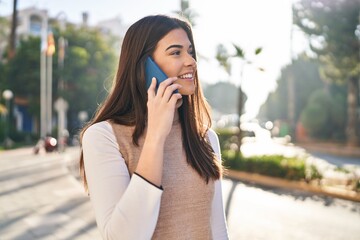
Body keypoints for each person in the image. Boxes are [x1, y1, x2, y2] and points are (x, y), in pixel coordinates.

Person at [80, 15, 229, 240]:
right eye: (176, 52)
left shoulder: (206, 138)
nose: (191, 61)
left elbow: (218, 230)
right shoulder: (103, 137)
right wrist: (156, 136)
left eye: (190, 51)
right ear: (145, 66)